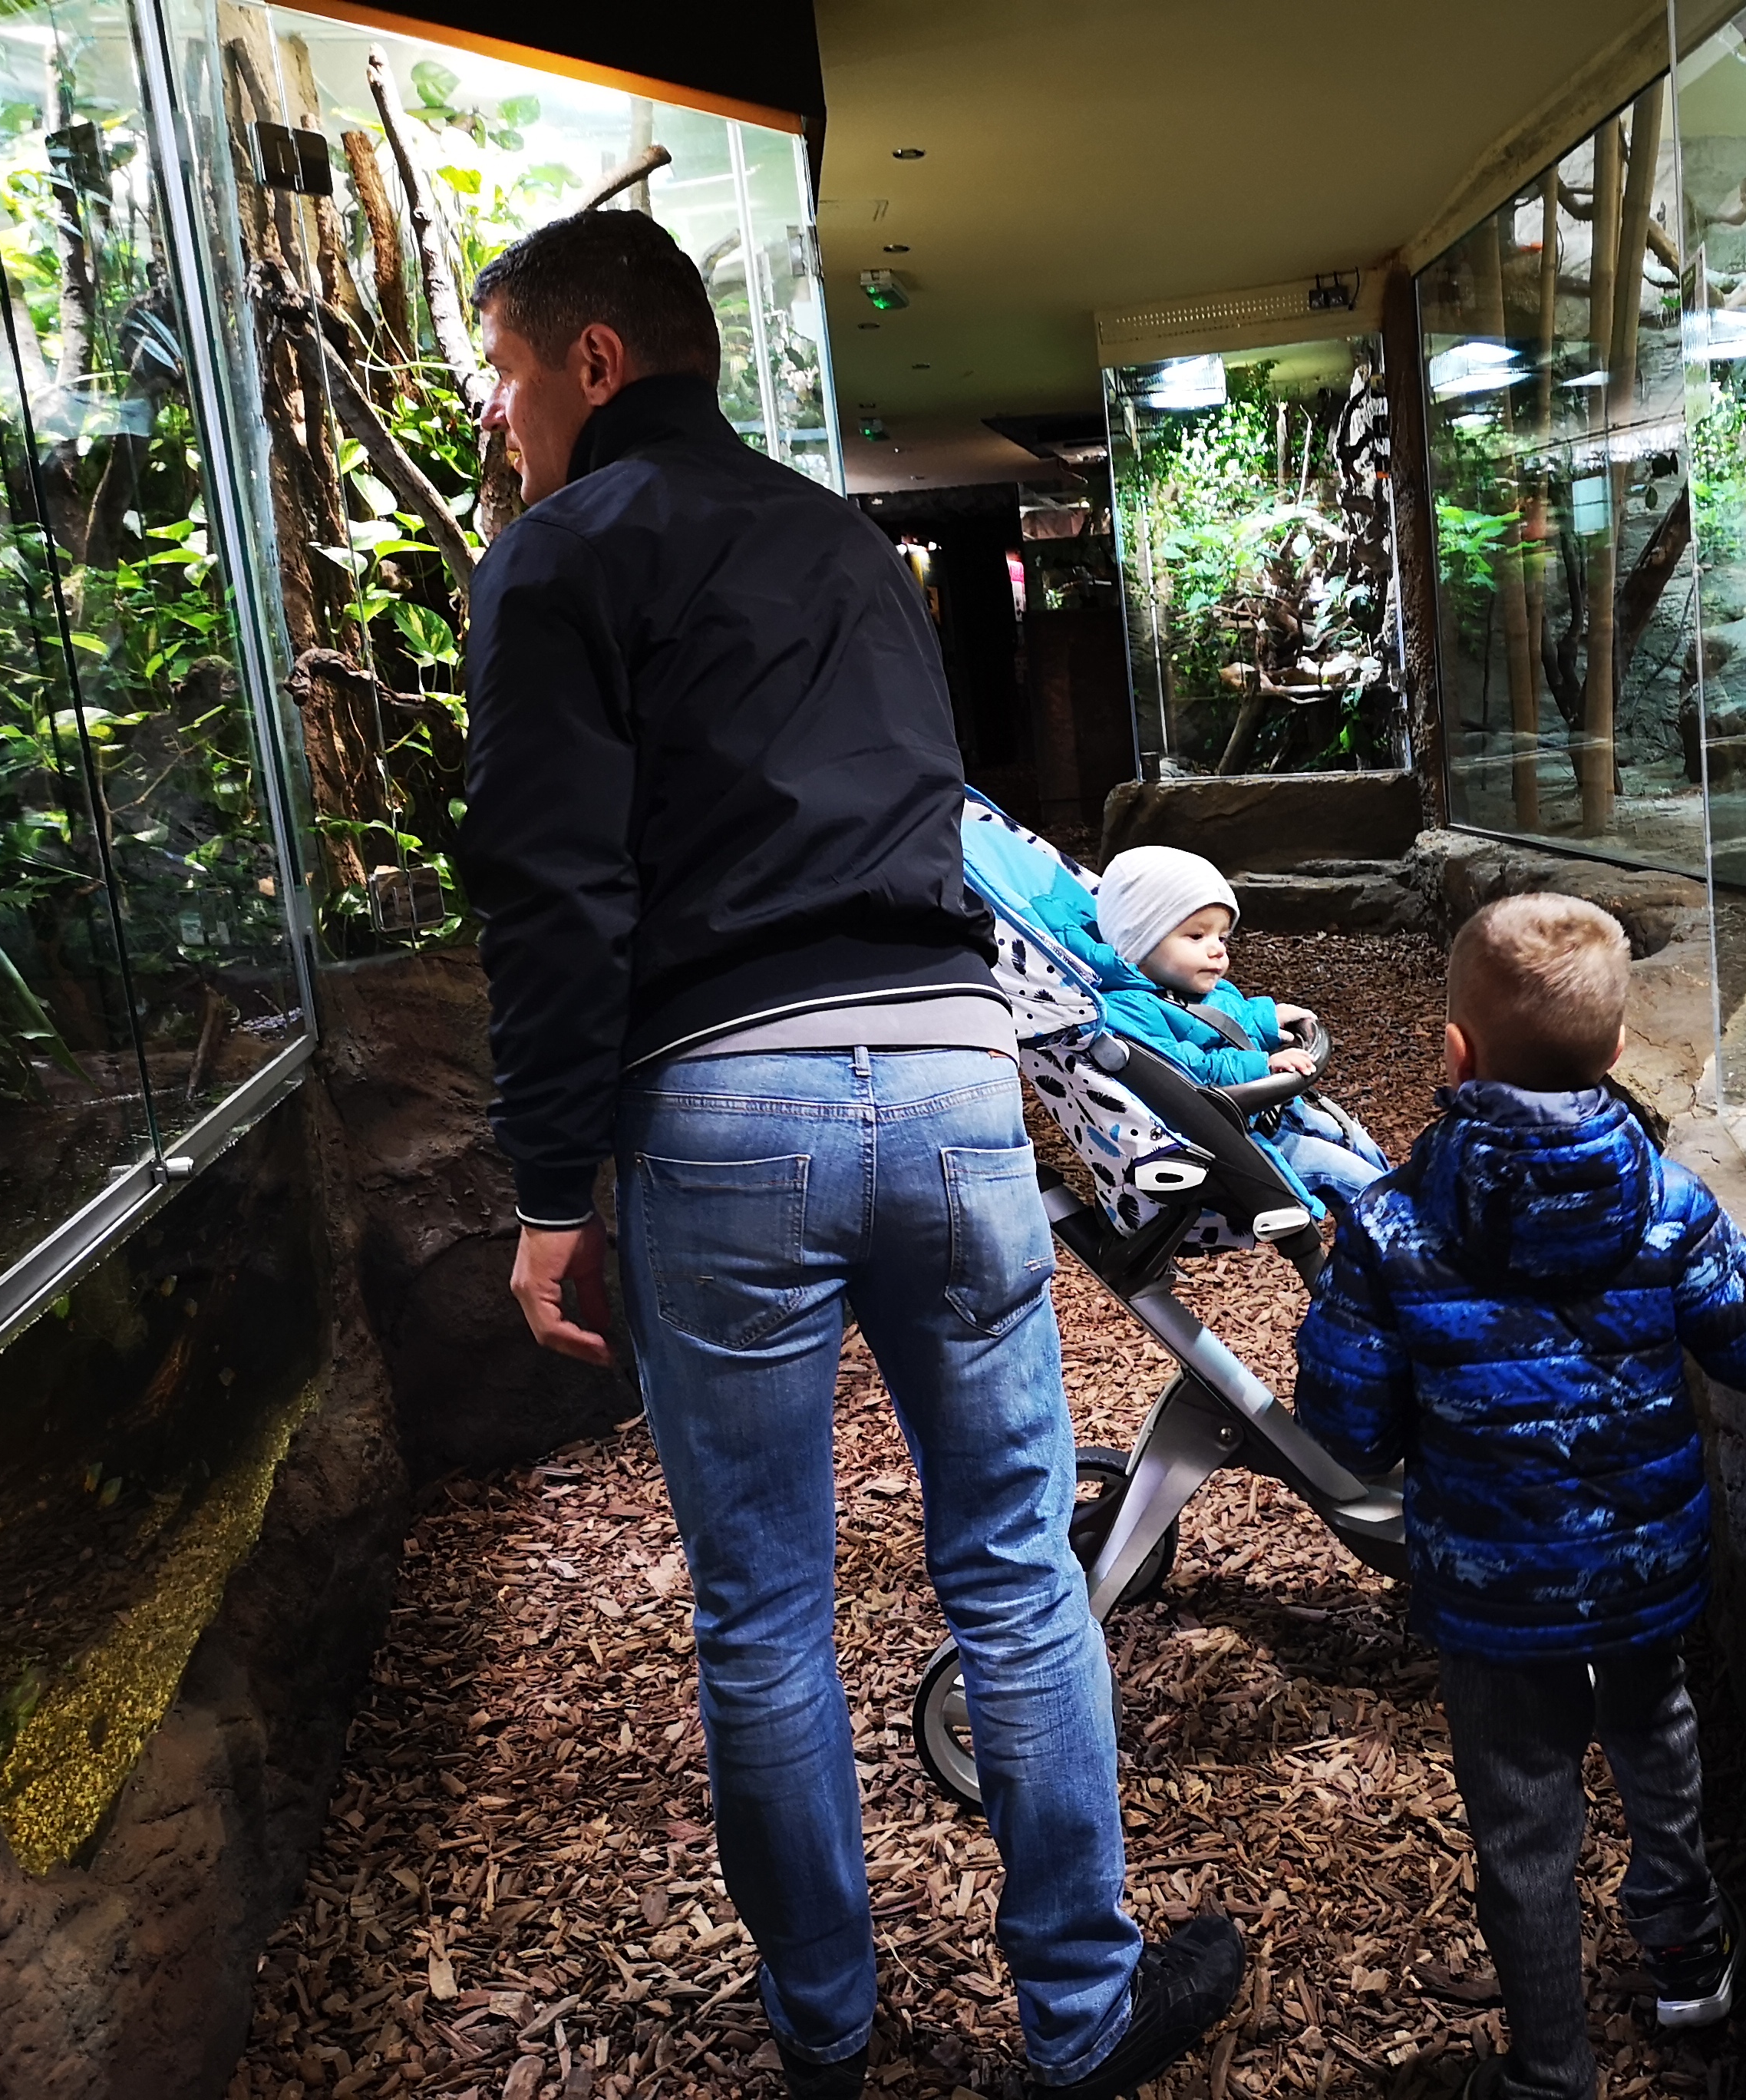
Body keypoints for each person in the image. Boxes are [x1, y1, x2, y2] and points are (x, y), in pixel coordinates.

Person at [454, 209, 1239, 2100]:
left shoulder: (557, 556)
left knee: (762, 1613)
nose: (492, 416)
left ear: (593, 363)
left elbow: (555, 897)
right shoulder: (844, 545)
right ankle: (1081, 2013)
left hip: (730, 1106)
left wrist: (552, 1191)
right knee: (1017, 1575)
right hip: (954, 1084)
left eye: (502, 373)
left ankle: (826, 2032)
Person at [1291, 893, 1746, 2100]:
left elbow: (1347, 1427)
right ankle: (1687, 1957)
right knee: (1656, 1730)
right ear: (1615, 1050)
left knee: (1522, 1821)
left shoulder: (1390, 1224)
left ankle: (1553, 2069)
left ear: (1454, 1050)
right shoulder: (1667, 1203)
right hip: (1639, 1571)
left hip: (1492, 1594)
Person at [1071, 844, 1390, 1207]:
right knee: (1353, 1177)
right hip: (1234, 1145)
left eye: (1222, 937)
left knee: (1357, 1141)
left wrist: (1266, 1019)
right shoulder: (1129, 1009)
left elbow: (1227, 1019)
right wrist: (1263, 1065)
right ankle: (1400, 1234)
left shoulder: (1190, 986)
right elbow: (1183, 1071)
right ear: (1138, 941)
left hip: (1269, 1113)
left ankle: (1415, 1213)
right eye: (1197, 936)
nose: (1218, 950)